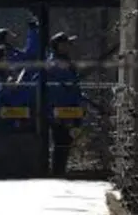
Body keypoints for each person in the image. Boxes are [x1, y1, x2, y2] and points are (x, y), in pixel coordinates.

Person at [46, 31, 83, 177]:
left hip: (69, 107)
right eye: (66, 44)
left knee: (65, 141)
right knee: (61, 140)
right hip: (61, 108)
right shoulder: (56, 64)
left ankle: (59, 171)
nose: (69, 46)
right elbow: (60, 89)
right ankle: (58, 172)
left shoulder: (63, 62)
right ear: (58, 46)